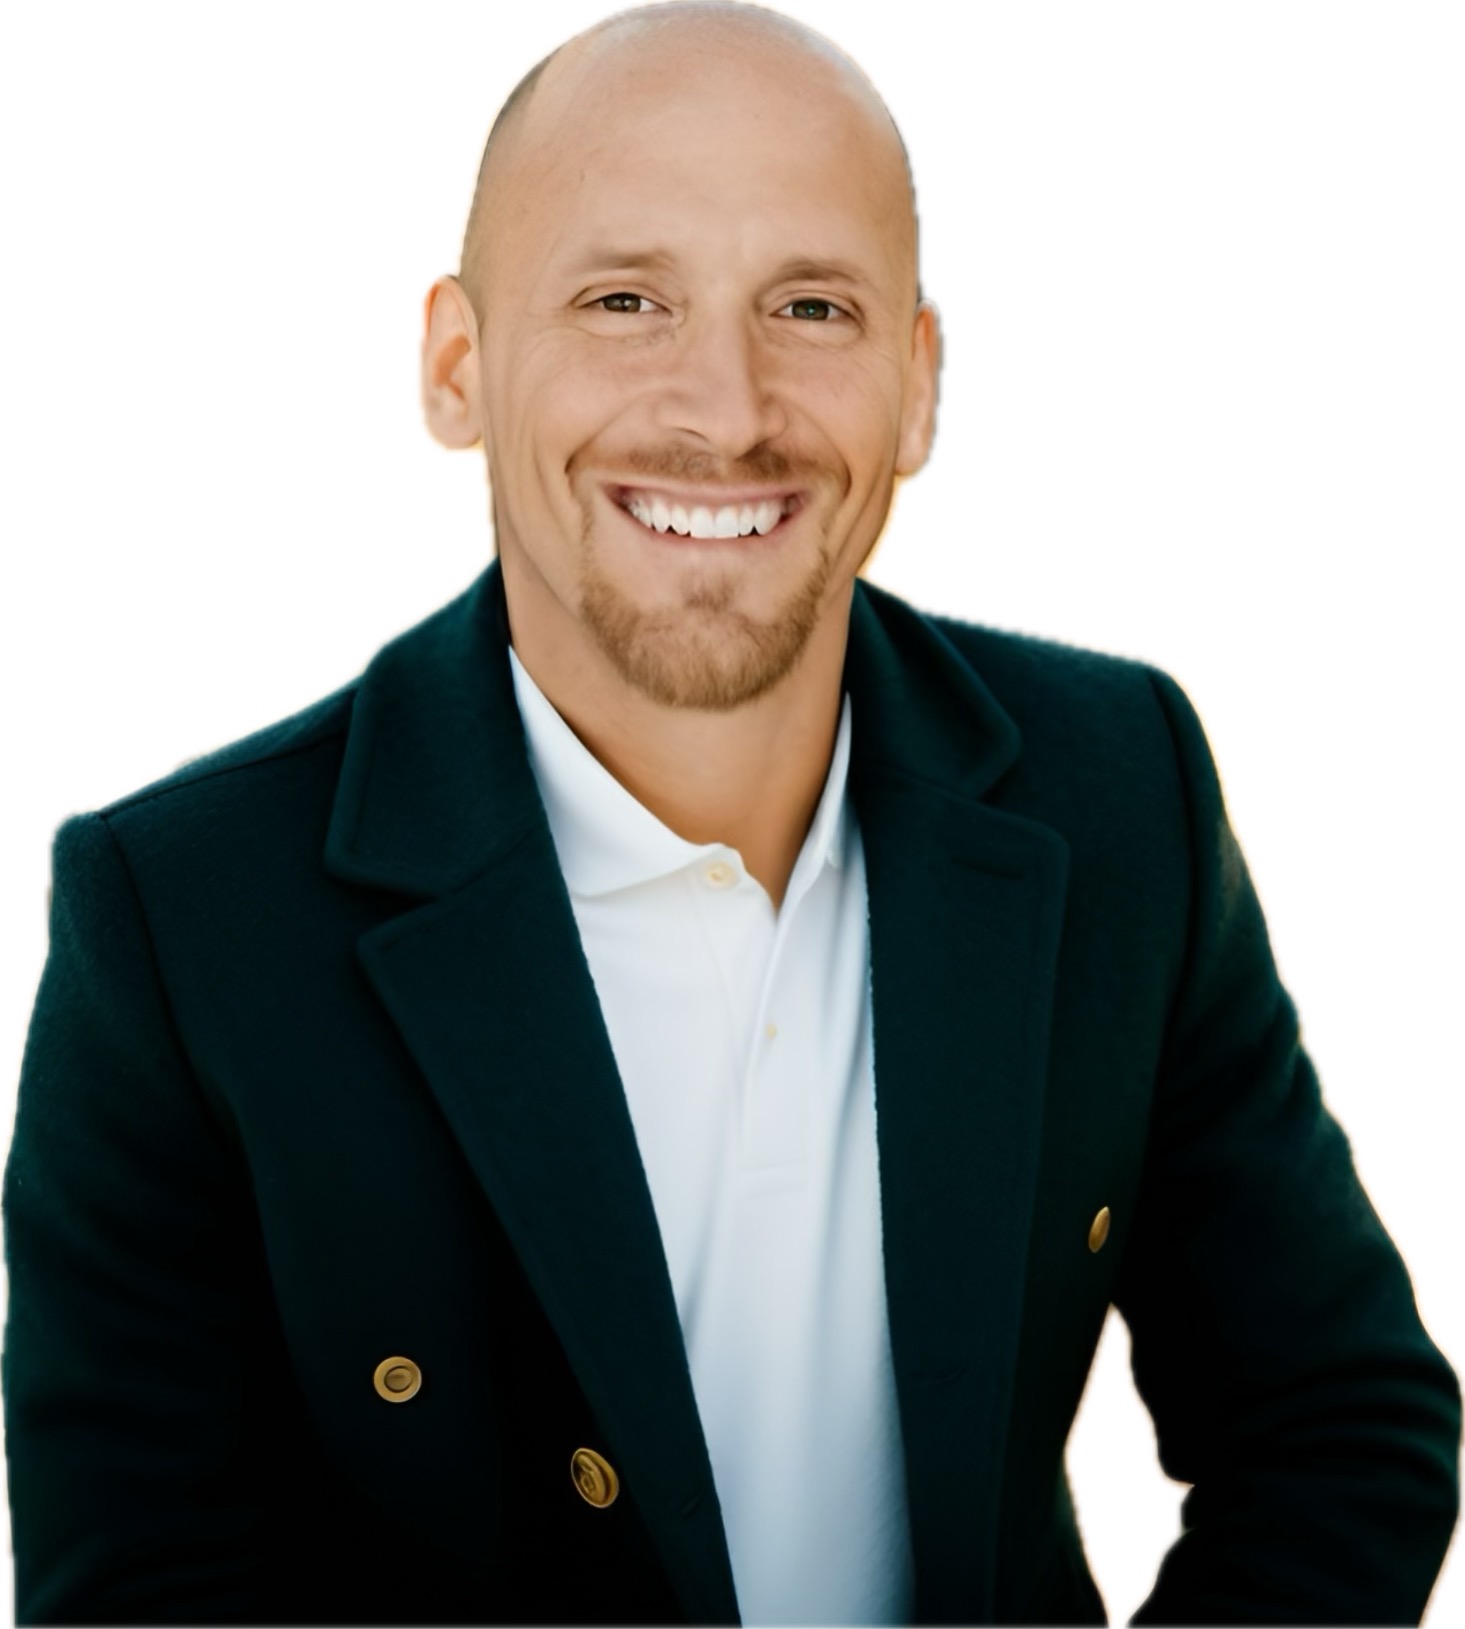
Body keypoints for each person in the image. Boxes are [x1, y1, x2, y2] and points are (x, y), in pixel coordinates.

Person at [3, 1, 1458, 1622]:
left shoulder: (1115, 789)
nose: (726, 406)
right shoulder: (184, 921)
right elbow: (138, 1592)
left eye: (810, 306)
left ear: (918, 383)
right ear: (457, 365)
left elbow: (1338, 1422)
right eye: (624, 301)